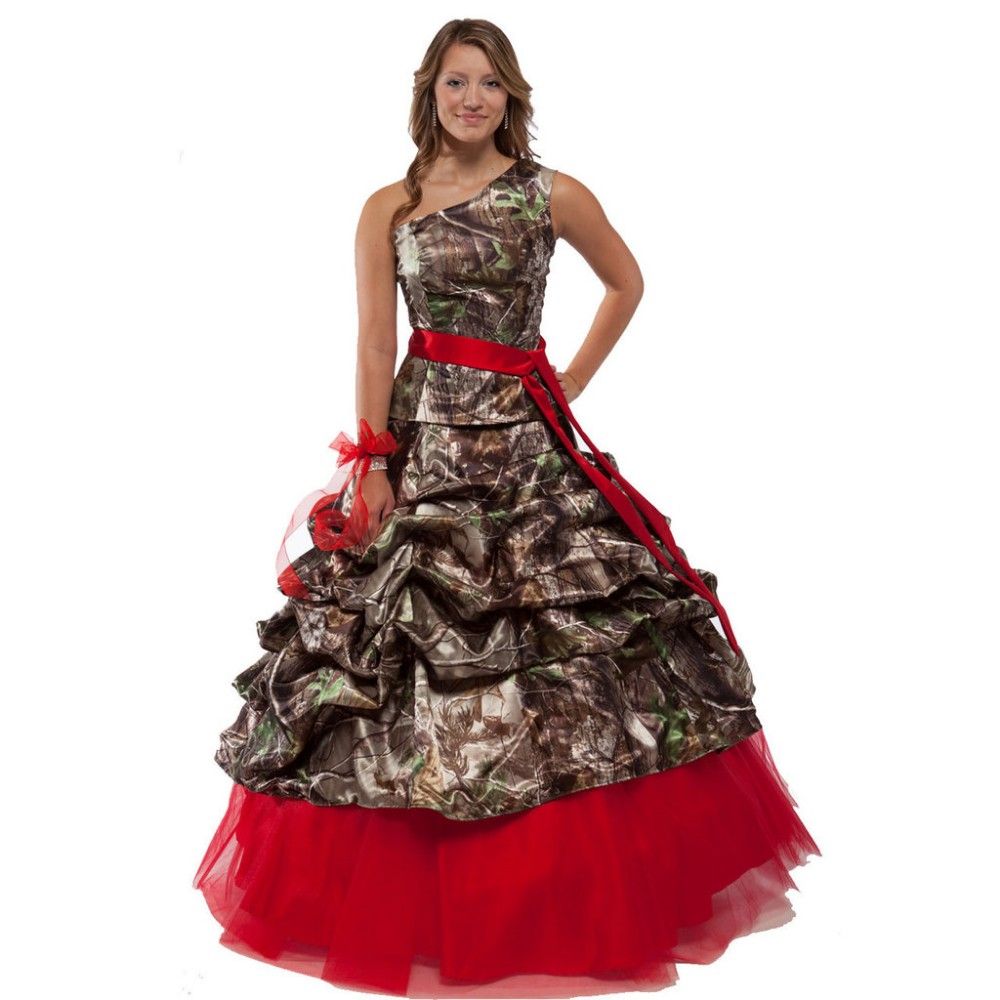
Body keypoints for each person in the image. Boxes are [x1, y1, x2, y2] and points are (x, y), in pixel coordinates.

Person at [192, 17, 821, 998]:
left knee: (564, 653)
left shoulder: (550, 194)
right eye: (455, 82)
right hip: (426, 448)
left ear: (511, 96)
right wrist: (373, 462)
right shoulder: (389, 206)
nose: (472, 99)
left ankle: (563, 897)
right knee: (404, 654)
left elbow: (626, 283)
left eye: (488, 83)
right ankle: (426, 900)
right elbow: (374, 341)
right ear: (429, 95)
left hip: (527, 451)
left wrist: (567, 379)